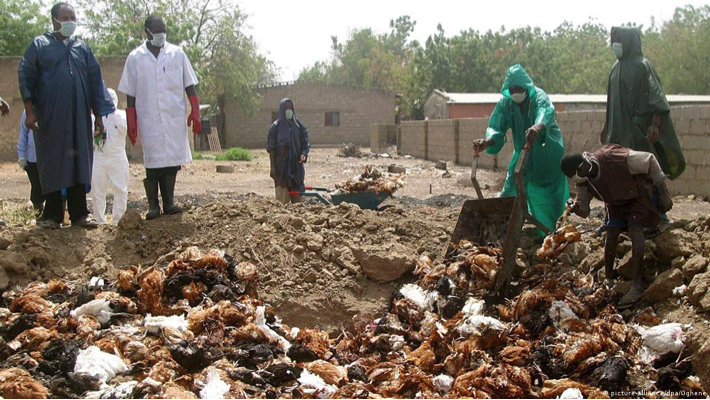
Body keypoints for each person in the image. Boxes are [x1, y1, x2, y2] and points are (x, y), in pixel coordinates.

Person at [18, 2, 113, 229]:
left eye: (73, 17)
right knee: (53, 161)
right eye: (66, 17)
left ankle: (80, 214)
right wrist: (30, 113)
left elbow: (95, 82)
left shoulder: (82, 48)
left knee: (79, 160)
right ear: (54, 20)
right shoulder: (40, 46)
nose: (71, 21)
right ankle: (52, 215)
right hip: (50, 117)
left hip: (79, 117)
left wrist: (99, 116)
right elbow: (26, 75)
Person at [561, 144, 673, 309]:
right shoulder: (584, 181)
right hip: (616, 202)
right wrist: (576, 207)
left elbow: (649, 160)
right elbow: (584, 210)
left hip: (637, 195)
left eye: (579, 172)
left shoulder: (611, 158)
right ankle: (609, 279)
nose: (579, 177)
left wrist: (663, 192)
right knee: (611, 232)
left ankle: (637, 285)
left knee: (635, 229)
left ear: (584, 163)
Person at [118, 15, 201, 220]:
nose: (161, 34)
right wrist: (132, 119)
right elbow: (130, 93)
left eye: (164, 30)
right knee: (153, 163)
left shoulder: (177, 54)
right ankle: (154, 206)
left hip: (173, 117)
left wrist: (195, 109)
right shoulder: (135, 57)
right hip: (149, 118)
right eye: (157, 31)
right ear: (147, 32)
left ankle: (170, 202)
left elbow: (189, 83)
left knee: (172, 162)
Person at [473, 64, 568, 233]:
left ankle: (550, 232)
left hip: (547, 154)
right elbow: (497, 126)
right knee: (511, 185)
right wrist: (487, 142)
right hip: (523, 152)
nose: (515, 92)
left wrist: (538, 127)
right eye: (512, 89)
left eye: (518, 88)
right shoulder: (506, 103)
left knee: (549, 196)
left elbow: (545, 112)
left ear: (525, 87)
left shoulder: (539, 96)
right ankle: (500, 227)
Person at [602, 27, 685, 218]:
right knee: (619, 174)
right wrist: (607, 127)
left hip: (638, 132)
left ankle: (657, 215)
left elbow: (657, 98)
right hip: (617, 133)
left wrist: (655, 124)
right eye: (614, 39)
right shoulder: (615, 68)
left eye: (619, 39)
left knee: (645, 173)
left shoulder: (643, 66)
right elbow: (612, 105)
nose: (615, 44)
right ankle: (619, 218)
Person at [90, 88, 129, 225]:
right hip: (99, 157)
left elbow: (127, 130)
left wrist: (114, 117)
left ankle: (118, 220)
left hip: (117, 156)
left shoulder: (121, 116)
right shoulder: (94, 118)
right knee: (97, 190)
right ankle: (98, 218)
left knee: (120, 189)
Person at [267, 98, 310, 204]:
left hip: (296, 168)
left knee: (298, 204)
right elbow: (271, 148)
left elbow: (305, 144)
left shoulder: (299, 127)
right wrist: (272, 167)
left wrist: (303, 154)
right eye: (286, 108)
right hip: (282, 168)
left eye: (290, 108)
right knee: (282, 202)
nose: (288, 110)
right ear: (282, 110)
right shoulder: (275, 127)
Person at [17, 110, 45, 215]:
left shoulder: (51, 106)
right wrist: (22, 157)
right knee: (36, 188)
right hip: (33, 159)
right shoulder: (27, 112)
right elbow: (23, 136)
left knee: (53, 188)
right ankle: (39, 215)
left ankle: (54, 215)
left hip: (49, 158)